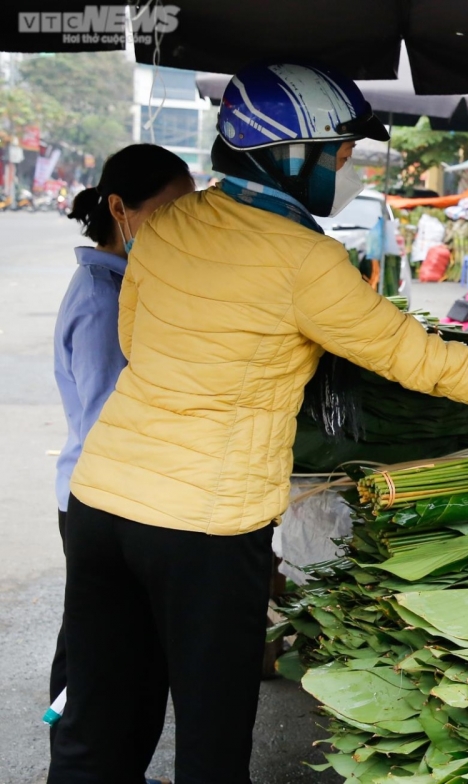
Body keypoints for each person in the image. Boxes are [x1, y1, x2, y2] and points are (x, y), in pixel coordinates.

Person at [49, 63, 468, 784]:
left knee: (99, 723)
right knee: (210, 737)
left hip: (101, 504)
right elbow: (421, 361)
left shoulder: (173, 222)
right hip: (204, 527)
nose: (347, 168)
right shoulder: (306, 259)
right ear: (290, 154)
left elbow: (137, 335)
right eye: (339, 153)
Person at [50, 144, 194, 760]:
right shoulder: (106, 300)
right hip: (104, 500)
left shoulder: (126, 284)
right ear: (120, 209)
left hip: (113, 499)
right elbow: (115, 414)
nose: (183, 229)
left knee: (118, 662)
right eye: (170, 212)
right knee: (106, 671)